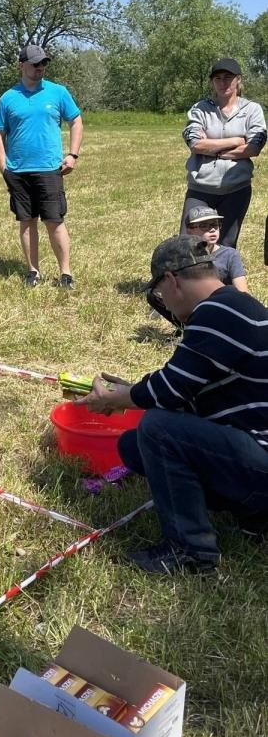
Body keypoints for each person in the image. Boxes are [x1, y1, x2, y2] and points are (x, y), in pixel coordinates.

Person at [80, 235, 268, 574]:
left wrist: (113, 399)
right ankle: (253, 514)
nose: (163, 302)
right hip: (253, 450)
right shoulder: (235, 305)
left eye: (160, 293)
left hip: (261, 459)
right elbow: (184, 387)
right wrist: (130, 393)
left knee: (158, 428)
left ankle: (191, 551)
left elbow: (170, 390)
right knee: (135, 444)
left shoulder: (217, 311)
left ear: (172, 280)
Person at [0, 43, 83, 289]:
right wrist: (4, 168)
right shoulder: (8, 98)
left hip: (49, 168)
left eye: (43, 63)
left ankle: (66, 273)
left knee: (54, 220)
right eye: (34, 64)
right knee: (27, 221)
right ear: (22, 65)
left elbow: (76, 120)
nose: (40, 68)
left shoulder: (58, 92)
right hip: (18, 171)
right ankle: (33, 271)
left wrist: (72, 154)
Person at [181, 57, 266, 247]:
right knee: (190, 244)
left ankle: (223, 278)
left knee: (226, 244)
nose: (222, 82)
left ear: (239, 80)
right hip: (200, 189)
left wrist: (211, 147)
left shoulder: (252, 110)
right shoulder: (200, 109)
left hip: (237, 189)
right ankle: (190, 277)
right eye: (217, 78)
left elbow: (253, 148)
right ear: (212, 81)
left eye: (228, 77)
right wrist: (236, 141)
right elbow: (195, 144)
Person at [147, 204, 248, 326]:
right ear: (190, 230)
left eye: (215, 225)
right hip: (192, 302)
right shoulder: (183, 256)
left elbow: (243, 292)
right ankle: (184, 328)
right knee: (153, 294)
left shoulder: (230, 255)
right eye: (204, 226)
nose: (211, 230)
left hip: (220, 305)